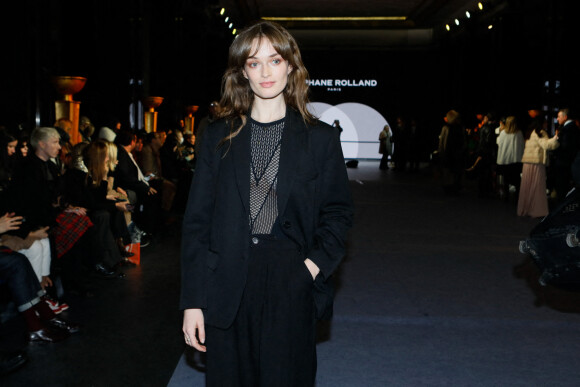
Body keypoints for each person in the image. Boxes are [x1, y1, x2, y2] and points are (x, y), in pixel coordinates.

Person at [180, 20, 354, 386]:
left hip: (290, 281)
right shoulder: (217, 136)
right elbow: (197, 222)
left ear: (290, 65)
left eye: (274, 60)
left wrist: (309, 268)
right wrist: (193, 301)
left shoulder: (320, 139)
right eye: (254, 63)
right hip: (226, 282)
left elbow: (338, 214)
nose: (265, 72)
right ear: (242, 71)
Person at [517, 118, 559, 218]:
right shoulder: (540, 132)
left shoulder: (530, 133)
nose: (546, 124)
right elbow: (546, 145)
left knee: (527, 186)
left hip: (527, 162)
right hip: (536, 162)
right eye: (545, 122)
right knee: (537, 186)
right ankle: (536, 210)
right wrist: (556, 138)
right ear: (541, 124)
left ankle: (525, 208)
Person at [550, 108, 580, 201]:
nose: (557, 119)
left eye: (559, 116)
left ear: (565, 117)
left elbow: (564, 147)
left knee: (562, 189)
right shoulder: (573, 127)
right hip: (568, 163)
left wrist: (554, 150)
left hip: (563, 163)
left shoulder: (567, 129)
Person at [495, 116, 524, 201]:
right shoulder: (519, 133)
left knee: (506, 179)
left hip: (505, 159)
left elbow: (499, 143)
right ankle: (517, 196)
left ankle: (506, 196)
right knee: (517, 179)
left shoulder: (503, 133)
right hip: (516, 160)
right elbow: (522, 146)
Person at [437, 109, 465, 195]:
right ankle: (450, 187)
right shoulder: (449, 128)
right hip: (450, 153)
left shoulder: (457, 128)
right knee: (450, 171)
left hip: (453, 153)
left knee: (452, 171)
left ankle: (452, 186)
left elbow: (442, 142)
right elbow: (442, 143)